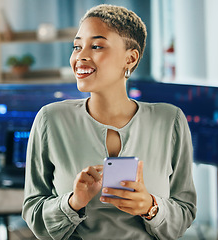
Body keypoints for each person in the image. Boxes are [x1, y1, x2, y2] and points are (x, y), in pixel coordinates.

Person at [22, 4, 197, 240]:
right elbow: (33, 211)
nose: (80, 56)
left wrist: (150, 206)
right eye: (76, 46)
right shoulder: (49, 120)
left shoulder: (170, 121)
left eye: (96, 46)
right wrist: (74, 202)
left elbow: (185, 211)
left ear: (130, 58)